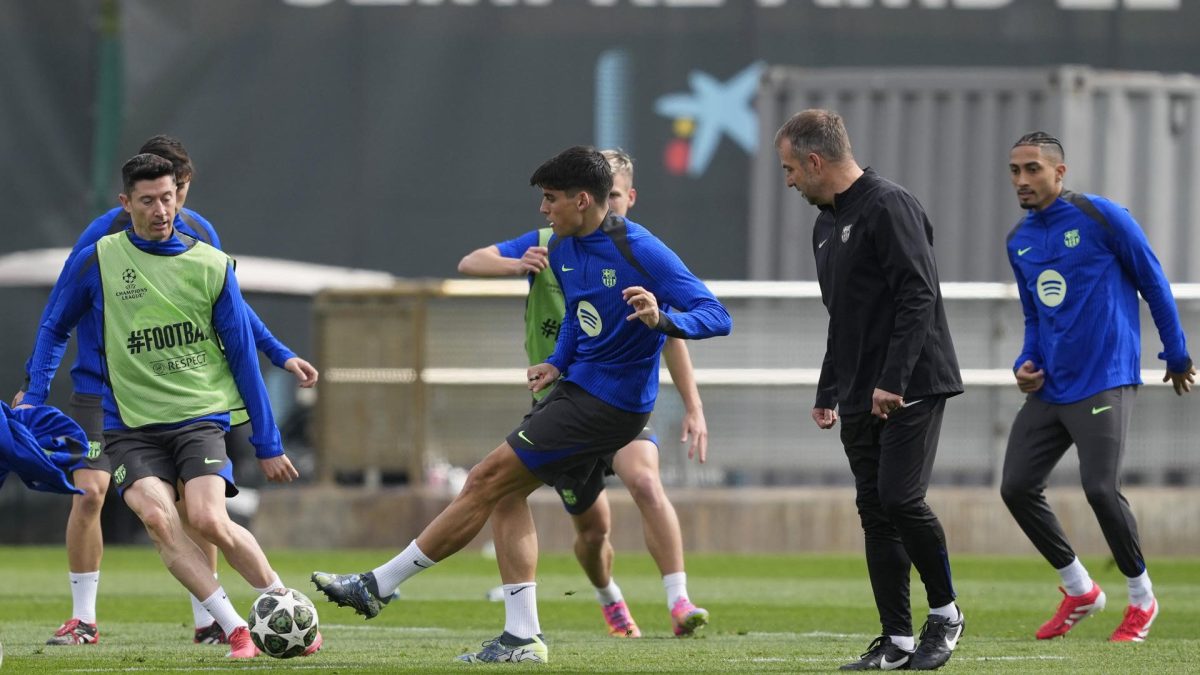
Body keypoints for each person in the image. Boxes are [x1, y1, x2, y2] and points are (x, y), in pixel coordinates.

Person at [314, 145, 731, 664]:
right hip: (575, 389)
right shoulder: (562, 246)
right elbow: (582, 317)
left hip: (611, 405)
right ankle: (520, 636)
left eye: (550, 199)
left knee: (487, 478)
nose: (542, 210)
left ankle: (378, 584)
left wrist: (664, 321)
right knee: (507, 495)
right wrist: (556, 362)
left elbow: (717, 314)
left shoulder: (641, 250)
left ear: (583, 200)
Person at [14, 135, 318, 647]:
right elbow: (58, 319)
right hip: (104, 392)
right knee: (93, 492)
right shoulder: (100, 246)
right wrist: (34, 392)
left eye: (174, 193)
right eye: (151, 197)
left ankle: (214, 620)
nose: (167, 206)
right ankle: (85, 617)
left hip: (187, 403)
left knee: (203, 513)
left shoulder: (201, 239)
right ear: (128, 199)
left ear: (182, 189)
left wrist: (277, 352)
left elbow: (231, 313)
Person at [457, 149, 710, 638]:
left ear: (625, 198)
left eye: (617, 196)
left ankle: (679, 601)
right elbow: (471, 261)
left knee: (646, 482)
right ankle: (608, 596)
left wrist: (694, 405)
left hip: (621, 403)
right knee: (593, 531)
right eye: (603, 195)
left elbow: (673, 334)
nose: (609, 206)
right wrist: (516, 266)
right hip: (563, 399)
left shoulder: (640, 253)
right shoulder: (554, 242)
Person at [775, 109, 965, 671]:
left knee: (901, 499)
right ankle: (897, 641)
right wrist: (827, 387)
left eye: (789, 169)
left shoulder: (889, 205)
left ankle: (947, 614)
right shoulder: (825, 224)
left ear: (814, 161)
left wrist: (892, 381)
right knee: (875, 511)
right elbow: (843, 317)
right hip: (860, 389)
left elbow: (918, 297)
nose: (787, 181)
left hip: (912, 383)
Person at [1000, 132, 1194, 643]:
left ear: (1059, 173)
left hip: (1106, 377)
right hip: (1052, 387)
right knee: (1016, 487)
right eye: (1015, 170)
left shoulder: (1103, 216)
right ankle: (1080, 588)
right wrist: (1026, 361)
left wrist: (1176, 353)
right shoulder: (1018, 240)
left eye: (1033, 169)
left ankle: (1142, 599)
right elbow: (1033, 315)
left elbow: (1153, 281)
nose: (1022, 180)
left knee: (1100, 489)